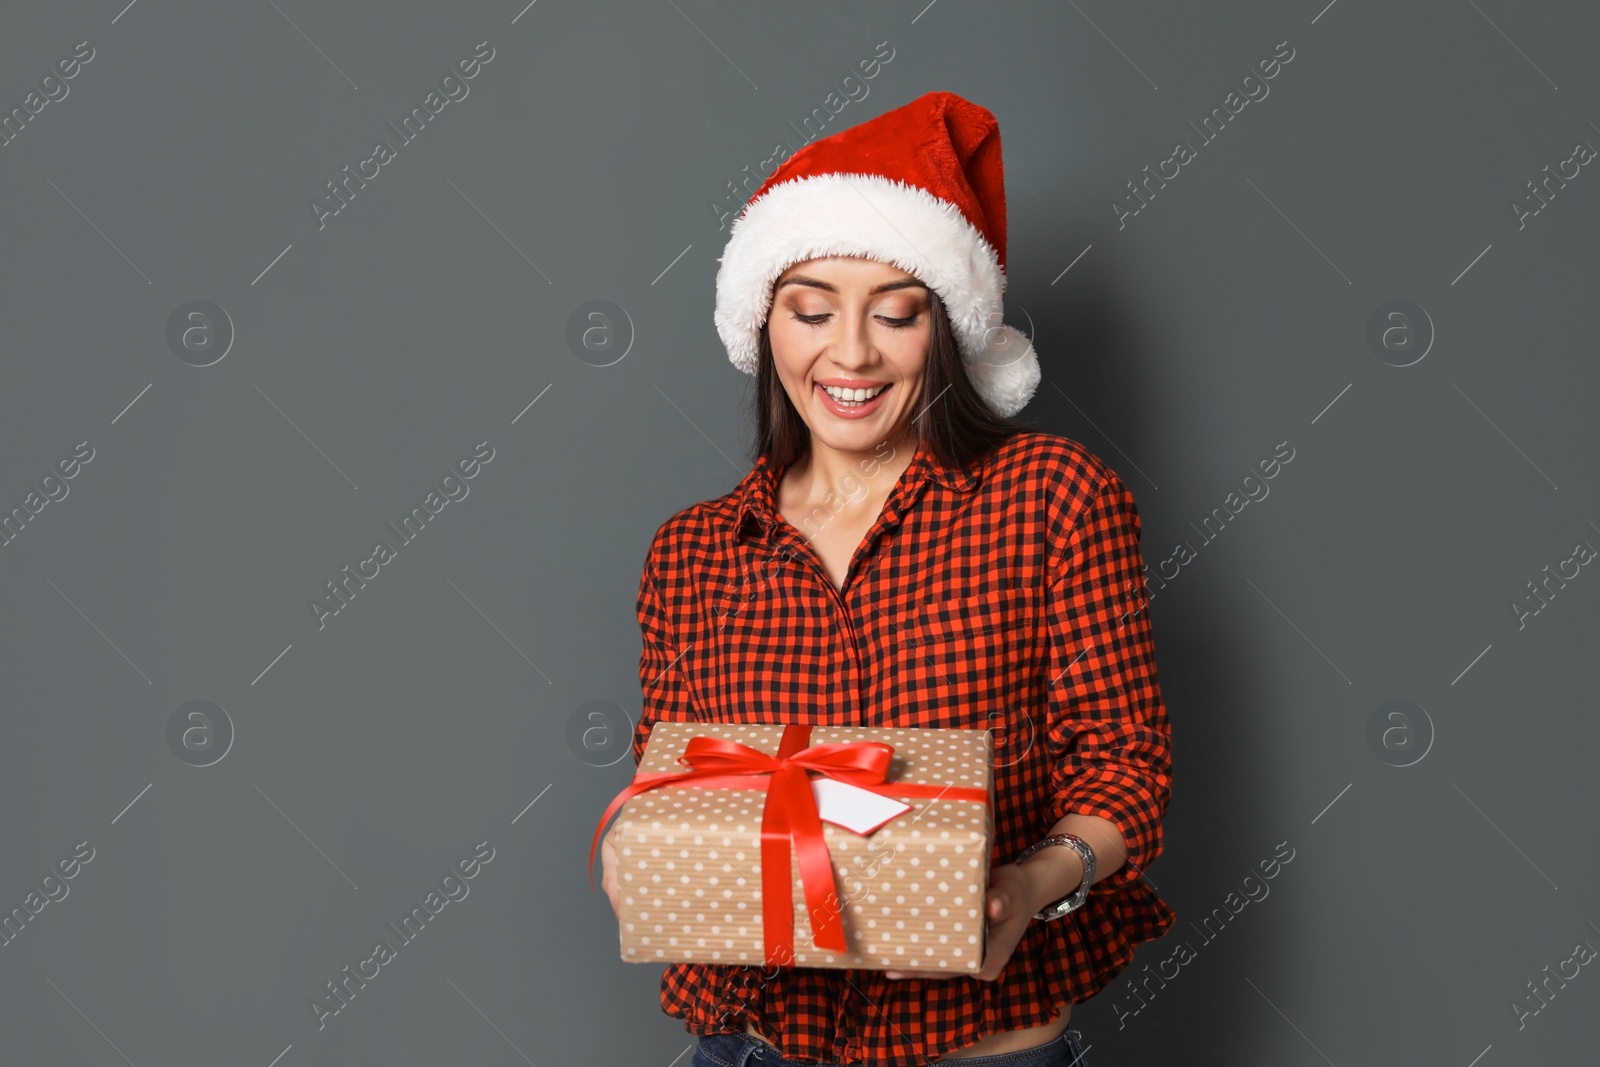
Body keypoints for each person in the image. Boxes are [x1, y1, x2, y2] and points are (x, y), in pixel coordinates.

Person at [601, 91, 1174, 1066]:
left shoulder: (1051, 499)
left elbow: (1126, 768)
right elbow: (679, 786)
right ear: (763, 326)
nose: (851, 352)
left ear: (944, 328)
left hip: (984, 1046)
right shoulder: (693, 552)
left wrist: (1027, 885)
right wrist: (639, 854)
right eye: (811, 308)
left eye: (896, 312)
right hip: (753, 1046)